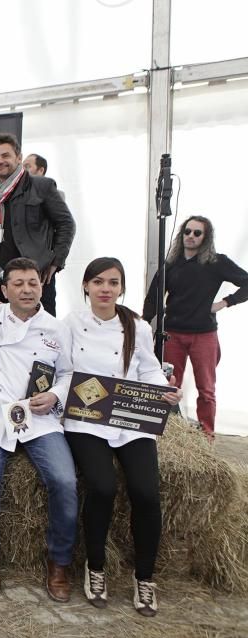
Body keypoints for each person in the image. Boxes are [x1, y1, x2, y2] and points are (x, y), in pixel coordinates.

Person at [66, 257, 182, 617]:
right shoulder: (69, 324)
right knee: (102, 487)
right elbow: (61, 368)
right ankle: (96, 567)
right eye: (98, 281)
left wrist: (165, 391)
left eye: (113, 283)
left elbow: (148, 368)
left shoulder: (137, 326)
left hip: (129, 417)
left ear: (121, 288)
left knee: (146, 492)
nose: (105, 289)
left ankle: (144, 578)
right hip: (87, 418)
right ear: (85, 286)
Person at [0, 257, 77, 602]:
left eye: (33, 283)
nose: (27, 290)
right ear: (4, 289)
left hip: (38, 419)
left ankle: (59, 563)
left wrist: (55, 394)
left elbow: (69, 373)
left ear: (42, 286)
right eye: (19, 284)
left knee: (65, 481)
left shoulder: (57, 327)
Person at [142, 215, 248, 440]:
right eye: (187, 232)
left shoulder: (217, 262)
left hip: (204, 335)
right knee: (167, 386)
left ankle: (206, 437)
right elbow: (153, 297)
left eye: (197, 233)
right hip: (172, 334)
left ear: (206, 237)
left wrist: (225, 302)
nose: (190, 236)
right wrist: (143, 325)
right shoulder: (170, 263)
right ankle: (165, 435)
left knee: (206, 389)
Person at [0, 134, 75, 315]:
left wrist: (56, 261)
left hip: (36, 278)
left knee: (41, 334)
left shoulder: (41, 186)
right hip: (2, 280)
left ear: (19, 158)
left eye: (5, 156)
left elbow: (66, 224)